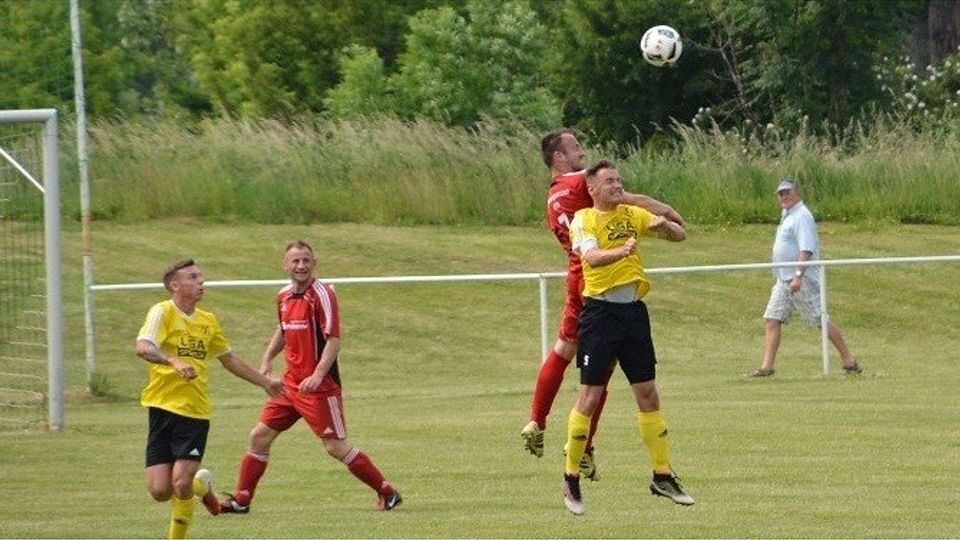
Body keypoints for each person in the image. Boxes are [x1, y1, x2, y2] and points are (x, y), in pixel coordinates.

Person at [522, 129, 685, 481]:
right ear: (559, 158)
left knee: (564, 349)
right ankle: (583, 449)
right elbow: (626, 197)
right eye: (575, 148)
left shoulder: (552, 197)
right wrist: (666, 210)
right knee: (600, 370)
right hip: (595, 278)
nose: (582, 152)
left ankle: (537, 419)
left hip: (574, 272)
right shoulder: (580, 181)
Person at [218, 241, 402, 513]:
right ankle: (242, 501)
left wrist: (317, 375)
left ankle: (388, 493)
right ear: (285, 265)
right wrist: (267, 359)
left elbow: (334, 340)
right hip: (290, 385)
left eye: (306, 260)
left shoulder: (323, 294)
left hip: (320, 388)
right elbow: (283, 331)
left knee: (335, 447)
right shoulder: (283, 296)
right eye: (295, 261)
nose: (301, 266)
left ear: (314, 264)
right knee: (259, 436)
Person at [561, 160, 693, 515]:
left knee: (648, 393)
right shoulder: (584, 220)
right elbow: (590, 256)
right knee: (589, 395)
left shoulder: (631, 213)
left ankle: (661, 475)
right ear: (592, 188)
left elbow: (679, 234)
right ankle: (571, 476)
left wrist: (668, 225)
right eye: (609, 181)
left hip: (633, 313)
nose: (617, 185)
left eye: (619, 180)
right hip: (600, 314)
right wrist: (620, 252)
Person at [136, 259, 284, 539]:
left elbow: (228, 360)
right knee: (159, 491)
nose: (201, 282)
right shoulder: (162, 312)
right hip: (160, 408)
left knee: (180, 484)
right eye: (193, 277)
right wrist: (173, 361)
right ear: (174, 285)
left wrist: (265, 382)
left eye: (201, 277)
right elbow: (143, 347)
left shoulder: (208, 321)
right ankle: (203, 486)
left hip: (194, 412)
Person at [749, 179, 862, 378]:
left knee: (820, 319)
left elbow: (806, 249)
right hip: (783, 279)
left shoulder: (802, 216)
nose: (783, 197)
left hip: (800, 278)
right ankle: (767, 367)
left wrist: (798, 276)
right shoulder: (787, 215)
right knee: (772, 319)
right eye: (780, 194)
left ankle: (849, 361)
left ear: (797, 192)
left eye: (787, 192)